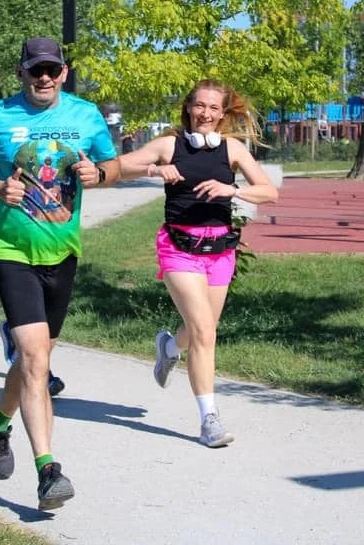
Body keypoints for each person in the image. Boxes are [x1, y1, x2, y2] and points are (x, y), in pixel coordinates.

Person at [0, 36, 120, 510]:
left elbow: (110, 163)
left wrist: (100, 176)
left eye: (51, 69)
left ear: (63, 72)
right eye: (34, 70)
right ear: (21, 72)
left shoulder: (86, 115)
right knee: (33, 358)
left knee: (35, 360)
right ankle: (49, 471)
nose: (43, 77)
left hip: (63, 251)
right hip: (12, 249)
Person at [118, 79, 278, 447]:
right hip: (178, 246)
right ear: (189, 107)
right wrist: (155, 170)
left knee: (199, 330)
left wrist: (233, 189)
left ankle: (170, 348)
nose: (205, 114)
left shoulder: (232, 149)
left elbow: (269, 191)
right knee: (205, 331)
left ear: (222, 114)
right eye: (200, 106)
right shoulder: (168, 145)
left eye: (213, 108)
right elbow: (117, 167)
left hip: (220, 248)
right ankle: (209, 420)